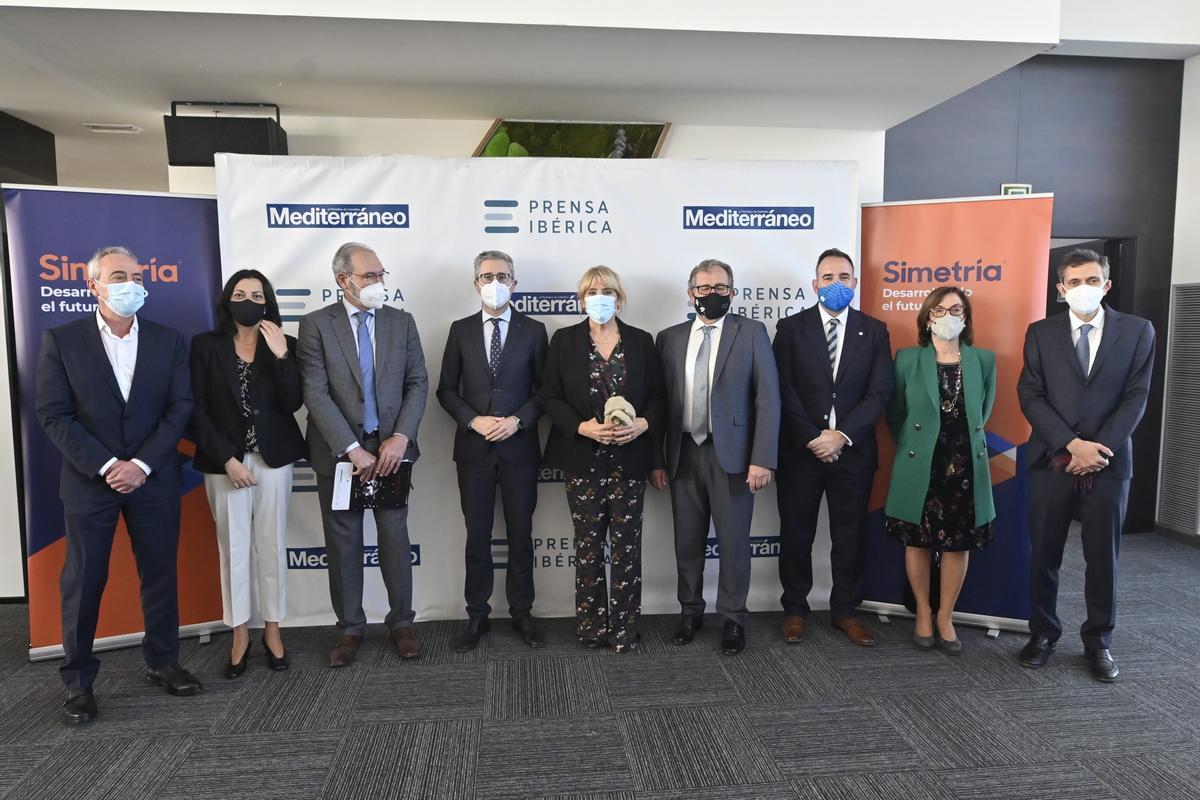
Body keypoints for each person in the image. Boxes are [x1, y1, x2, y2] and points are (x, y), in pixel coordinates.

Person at [36, 245, 202, 724]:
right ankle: (78, 683)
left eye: (137, 275)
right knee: (84, 581)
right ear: (93, 285)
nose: (131, 283)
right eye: (118, 276)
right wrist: (109, 465)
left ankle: (163, 662)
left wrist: (142, 465)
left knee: (159, 574)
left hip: (154, 479)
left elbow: (180, 407)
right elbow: (53, 414)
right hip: (90, 482)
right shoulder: (63, 341)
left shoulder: (167, 341)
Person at [1017, 248, 1155, 682]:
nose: (1083, 288)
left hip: (1108, 464)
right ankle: (1043, 634)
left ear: (1106, 284)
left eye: (1092, 280)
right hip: (1051, 459)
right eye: (1074, 282)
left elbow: (1136, 397)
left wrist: (1098, 449)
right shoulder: (1040, 332)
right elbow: (1031, 394)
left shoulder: (1138, 331)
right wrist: (1071, 444)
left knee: (1102, 558)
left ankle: (1098, 642)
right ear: (1061, 289)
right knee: (1044, 553)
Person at [297, 242, 429, 666]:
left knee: (394, 538)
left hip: (391, 452)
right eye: (369, 276)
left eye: (381, 274)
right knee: (343, 542)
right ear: (344, 280)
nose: (378, 282)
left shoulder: (401, 322)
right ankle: (350, 628)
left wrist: (400, 437)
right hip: (340, 454)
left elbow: (417, 383)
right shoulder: (316, 325)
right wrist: (352, 449)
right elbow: (315, 392)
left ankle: (402, 623)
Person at [651, 258, 780, 656]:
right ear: (691, 293)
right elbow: (658, 404)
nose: (712, 294)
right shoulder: (669, 338)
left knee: (734, 543)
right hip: (683, 454)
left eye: (720, 288)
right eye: (704, 288)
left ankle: (733, 617)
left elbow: (768, 398)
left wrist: (762, 458)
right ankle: (690, 611)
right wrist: (657, 459)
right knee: (687, 541)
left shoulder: (752, 332)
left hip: (736, 459)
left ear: (733, 292)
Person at [539, 266, 663, 653]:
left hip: (630, 462)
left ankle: (624, 630)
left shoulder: (642, 341)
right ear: (581, 299)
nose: (599, 297)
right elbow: (548, 396)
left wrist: (643, 424)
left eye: (606, 291)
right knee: (588, 548)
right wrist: (582, 427)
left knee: (627, 550)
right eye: (591, 292)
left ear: (619, 298)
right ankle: (592, 628)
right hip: (583, 461)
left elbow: (659, 397)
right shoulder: (564, 341)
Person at [773, 248, 893, 647]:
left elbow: (880, 392)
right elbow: (782, 389)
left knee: (850, 537)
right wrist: (813, 437)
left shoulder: (874, 330)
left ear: (855, 283)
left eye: (844, 277)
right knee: (796, 534)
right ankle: (795, 609)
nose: (836, 284)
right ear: (815, 284)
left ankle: (845, 611)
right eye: (828, 278)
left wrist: (841, 435)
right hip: (801, 452)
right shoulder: (791, 328)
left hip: (853, 453)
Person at [189, 269, 305, 677]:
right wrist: (226, 458)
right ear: (227, 300)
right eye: (240, 294)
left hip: (273, 459)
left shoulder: (285, 343)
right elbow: (195, 408)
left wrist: (282, 356)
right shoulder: (205, 346)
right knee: (233, 550)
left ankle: (273, 631)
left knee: (271, 545)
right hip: (225, 463)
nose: (248, 301)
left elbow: (292, 403)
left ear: (267, 301)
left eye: (257, 295)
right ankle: (240, 634)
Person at [437, 251, 549, 652]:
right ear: (475, 284)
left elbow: (545, 392)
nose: (494, 283)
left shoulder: (534, 330)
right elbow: (446, 389)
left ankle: (522, 611)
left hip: (519, 449)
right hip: (474, 451)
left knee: (521, 533)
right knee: (477, 536)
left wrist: (518, 421)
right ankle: (477, 615)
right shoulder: (460, 330)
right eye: (487, 276)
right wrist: (473, 420)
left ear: (514, 283)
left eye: (502, 276)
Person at [884, 287, 996, 655]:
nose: (948, 316)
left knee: (958, 543)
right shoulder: (907, 359)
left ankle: (946, 615)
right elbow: (895, 413)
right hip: (920, 462)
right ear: (927, 317)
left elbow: (984, 412)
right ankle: (923, 611)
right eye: (939, 310)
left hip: (965, 465)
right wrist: (913, 445)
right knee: (917, 540)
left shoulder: (984, 360)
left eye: (956, 309)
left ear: (966, 317)